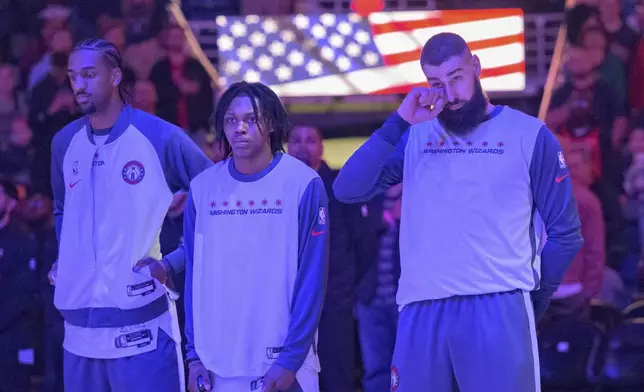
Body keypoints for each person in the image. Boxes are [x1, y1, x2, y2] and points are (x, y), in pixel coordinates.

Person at [333, 33, 584, 392]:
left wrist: (532, 301)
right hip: (420, 308)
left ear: (476, 67)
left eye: (456, 77)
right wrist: (400, 120)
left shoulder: (529, 135)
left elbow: (565, 233)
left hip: (498, 304)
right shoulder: (415, 136)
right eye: (437, 83)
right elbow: (347, 189)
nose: (450, 94)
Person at [49, 38, 212, 392]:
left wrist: (174, 263)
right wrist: (66, 257)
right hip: (78, 335)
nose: (79, 84)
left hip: (142, 331)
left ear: (115, 75)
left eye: (89, 74)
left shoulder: (160, 137)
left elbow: (217, 203)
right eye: (73, 75)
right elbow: (63, 209)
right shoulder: (64, 142)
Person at [183, 82, 329, 392]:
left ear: (272, 123)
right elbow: (195, 279)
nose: (240, 128)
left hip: (285, 366)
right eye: (231, 120)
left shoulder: (303, 184)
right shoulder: (202, 189)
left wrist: (290, 359)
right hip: (217, 367)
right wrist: (193, 356)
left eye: (251, 119)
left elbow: (312, 280)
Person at [288, 125, 358, 392]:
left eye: (310, 140)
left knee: (337, 374)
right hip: (290, 302)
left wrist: (348, 291)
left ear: (321, 146)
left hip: (334, 301)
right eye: (296, 140)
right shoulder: (280, 187)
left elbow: (361, 243)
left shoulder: (340, 187)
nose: (302, 146)